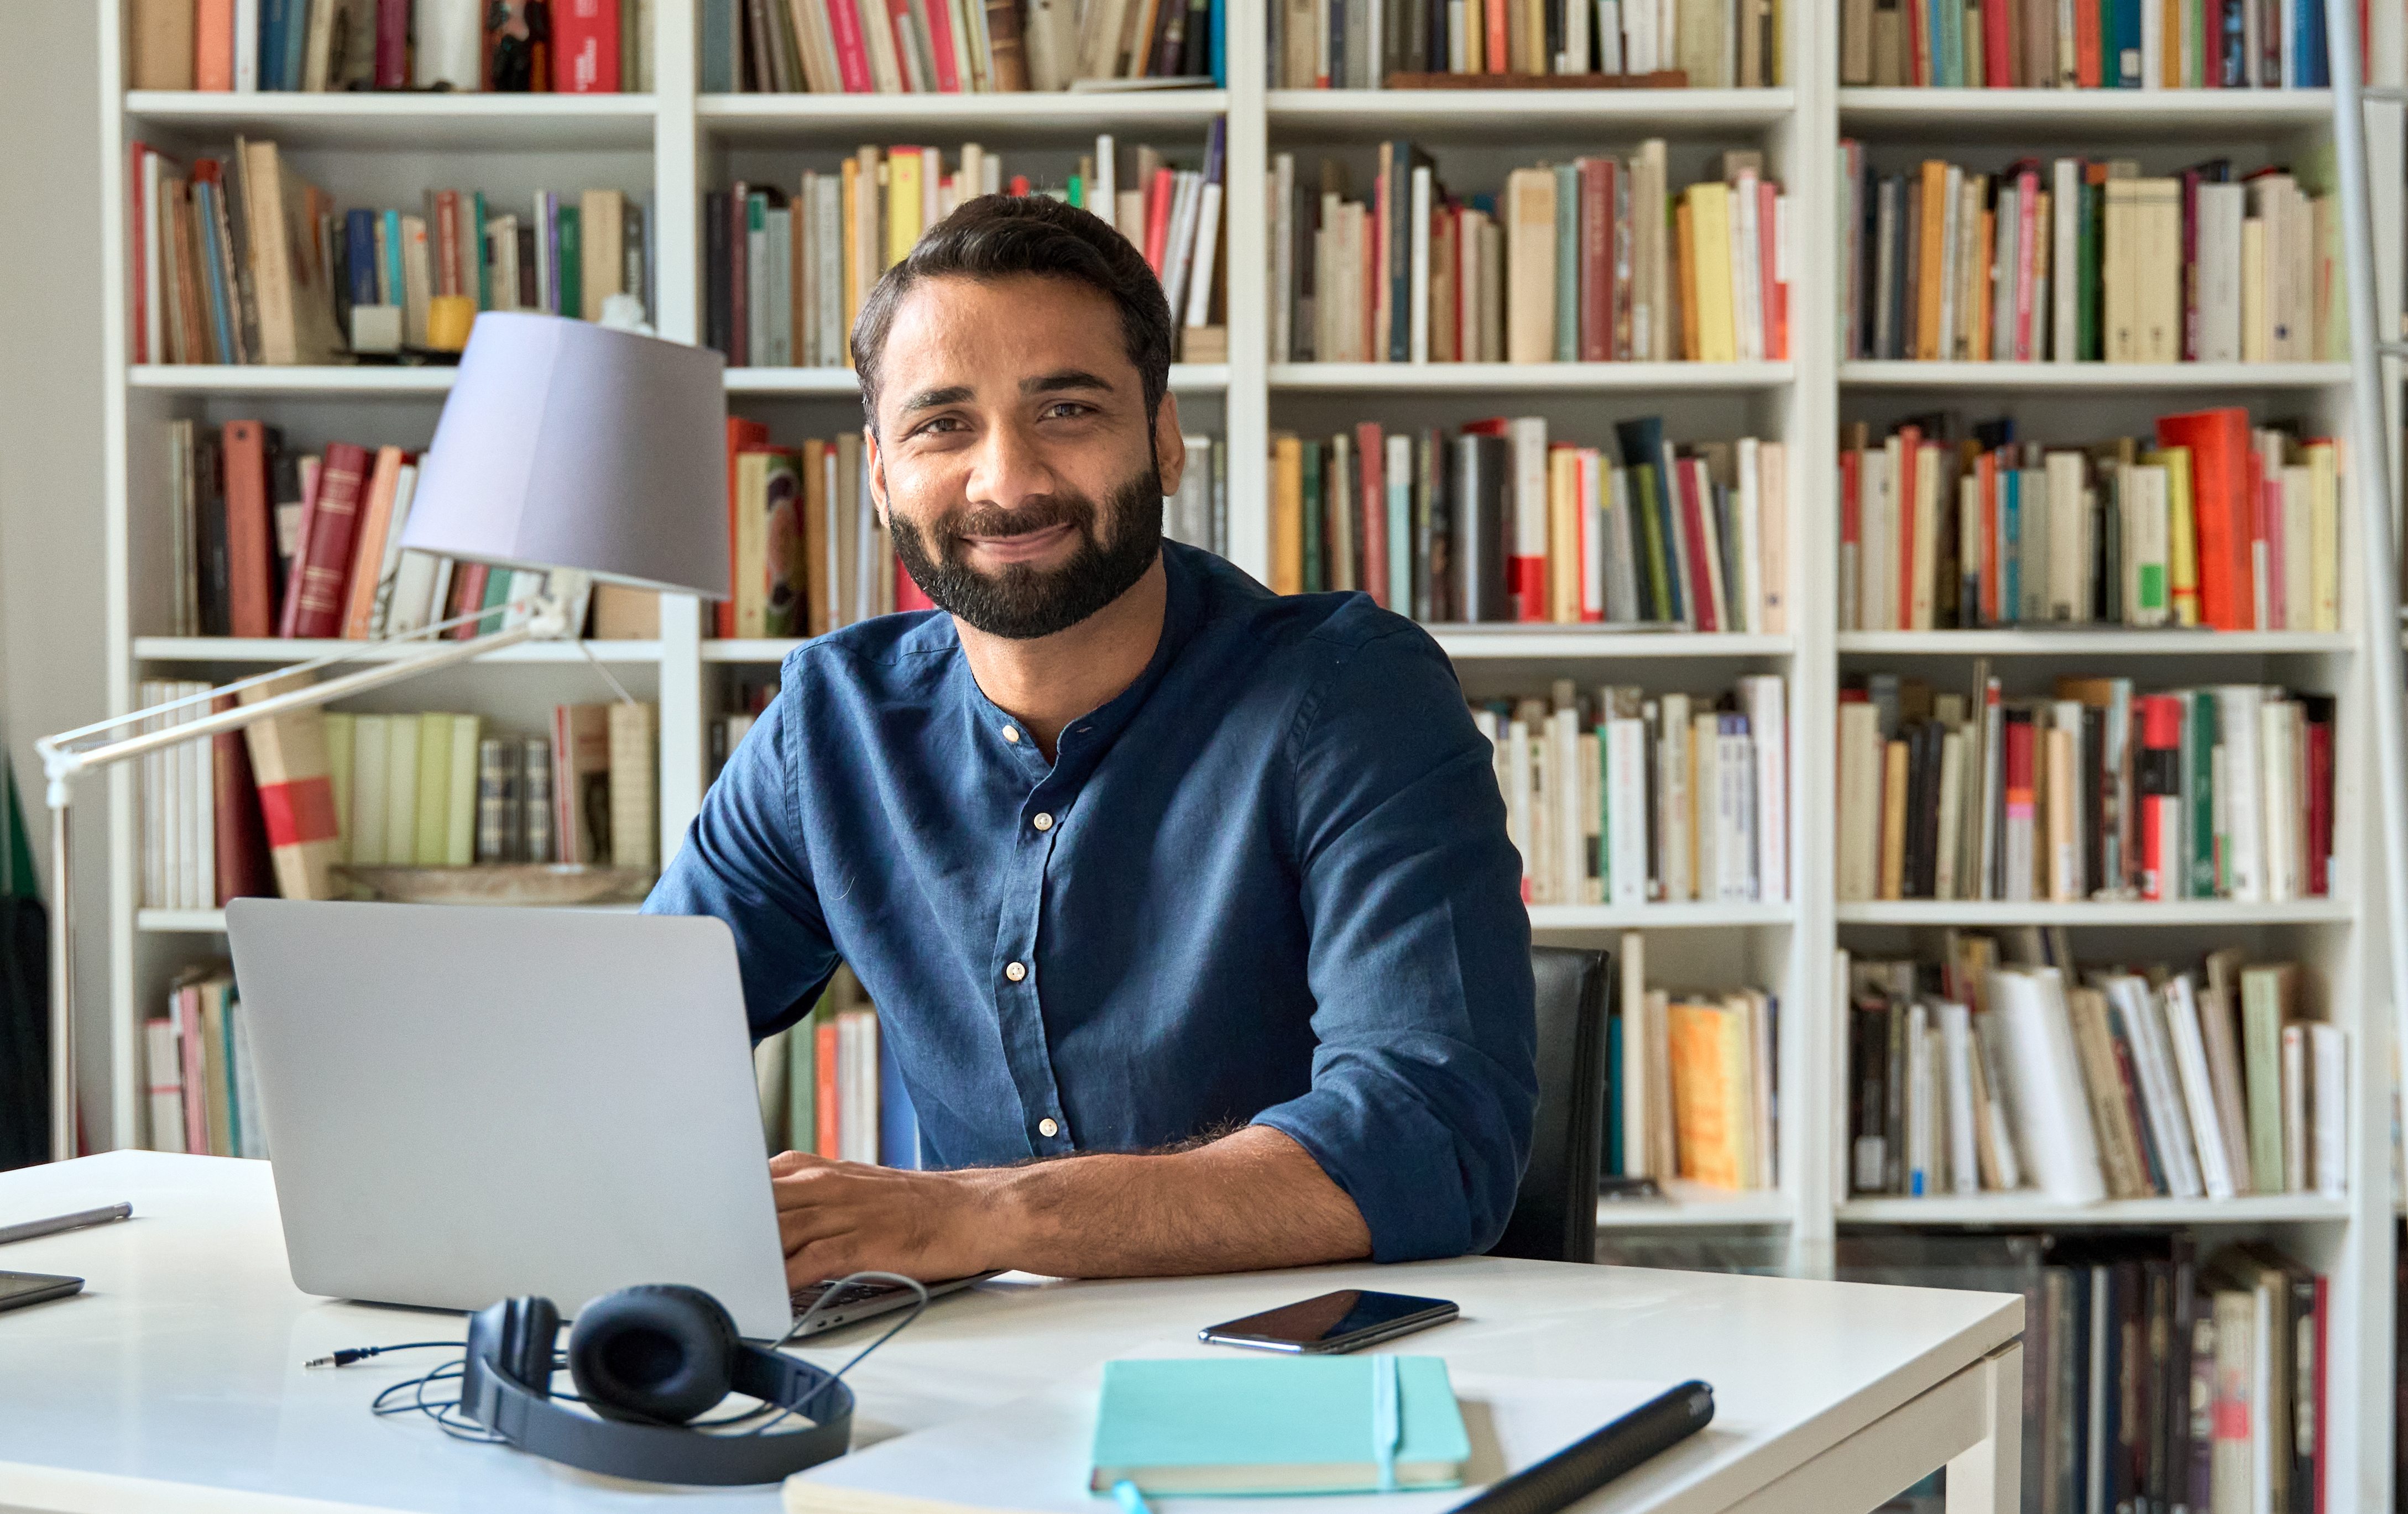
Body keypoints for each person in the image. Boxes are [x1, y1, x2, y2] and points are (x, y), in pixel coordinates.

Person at [644, 193, 1535, 1289]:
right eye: (942, 423)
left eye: (1066, 410)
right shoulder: (825, 725)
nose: (1007, 480)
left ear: (1164, 439)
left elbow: (1433, 1136)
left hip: (1299, 1369)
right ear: (879, 476)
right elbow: (620, 1051)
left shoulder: (1350, 696)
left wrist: (972, 1219)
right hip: (972, 1383)